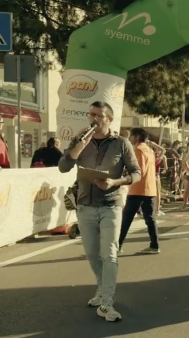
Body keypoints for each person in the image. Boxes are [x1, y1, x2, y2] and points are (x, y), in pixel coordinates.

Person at [58, 101, 141, 322]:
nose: (94, 119)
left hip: (111, 205)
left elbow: (136, 173)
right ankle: (102, 290)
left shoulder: (121, 143)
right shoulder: (80, 141)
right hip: (85, 206)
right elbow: (63, 167)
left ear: (109, 119)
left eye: (99, 115)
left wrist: (115, 181)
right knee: (93, 254)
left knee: (110, 254)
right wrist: (77, 147)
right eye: (91, 114)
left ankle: (107, 303)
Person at [118, 128, 161, 254]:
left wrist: (126, 176)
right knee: (150, 219)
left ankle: (118, 245)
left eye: (131, 135)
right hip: (150, 189)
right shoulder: (149, 150)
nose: (130, 138)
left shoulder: (138, 149)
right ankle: (154, 245)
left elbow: (138, 170)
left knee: (126, 219)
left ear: (137, 137)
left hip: (138, 189)